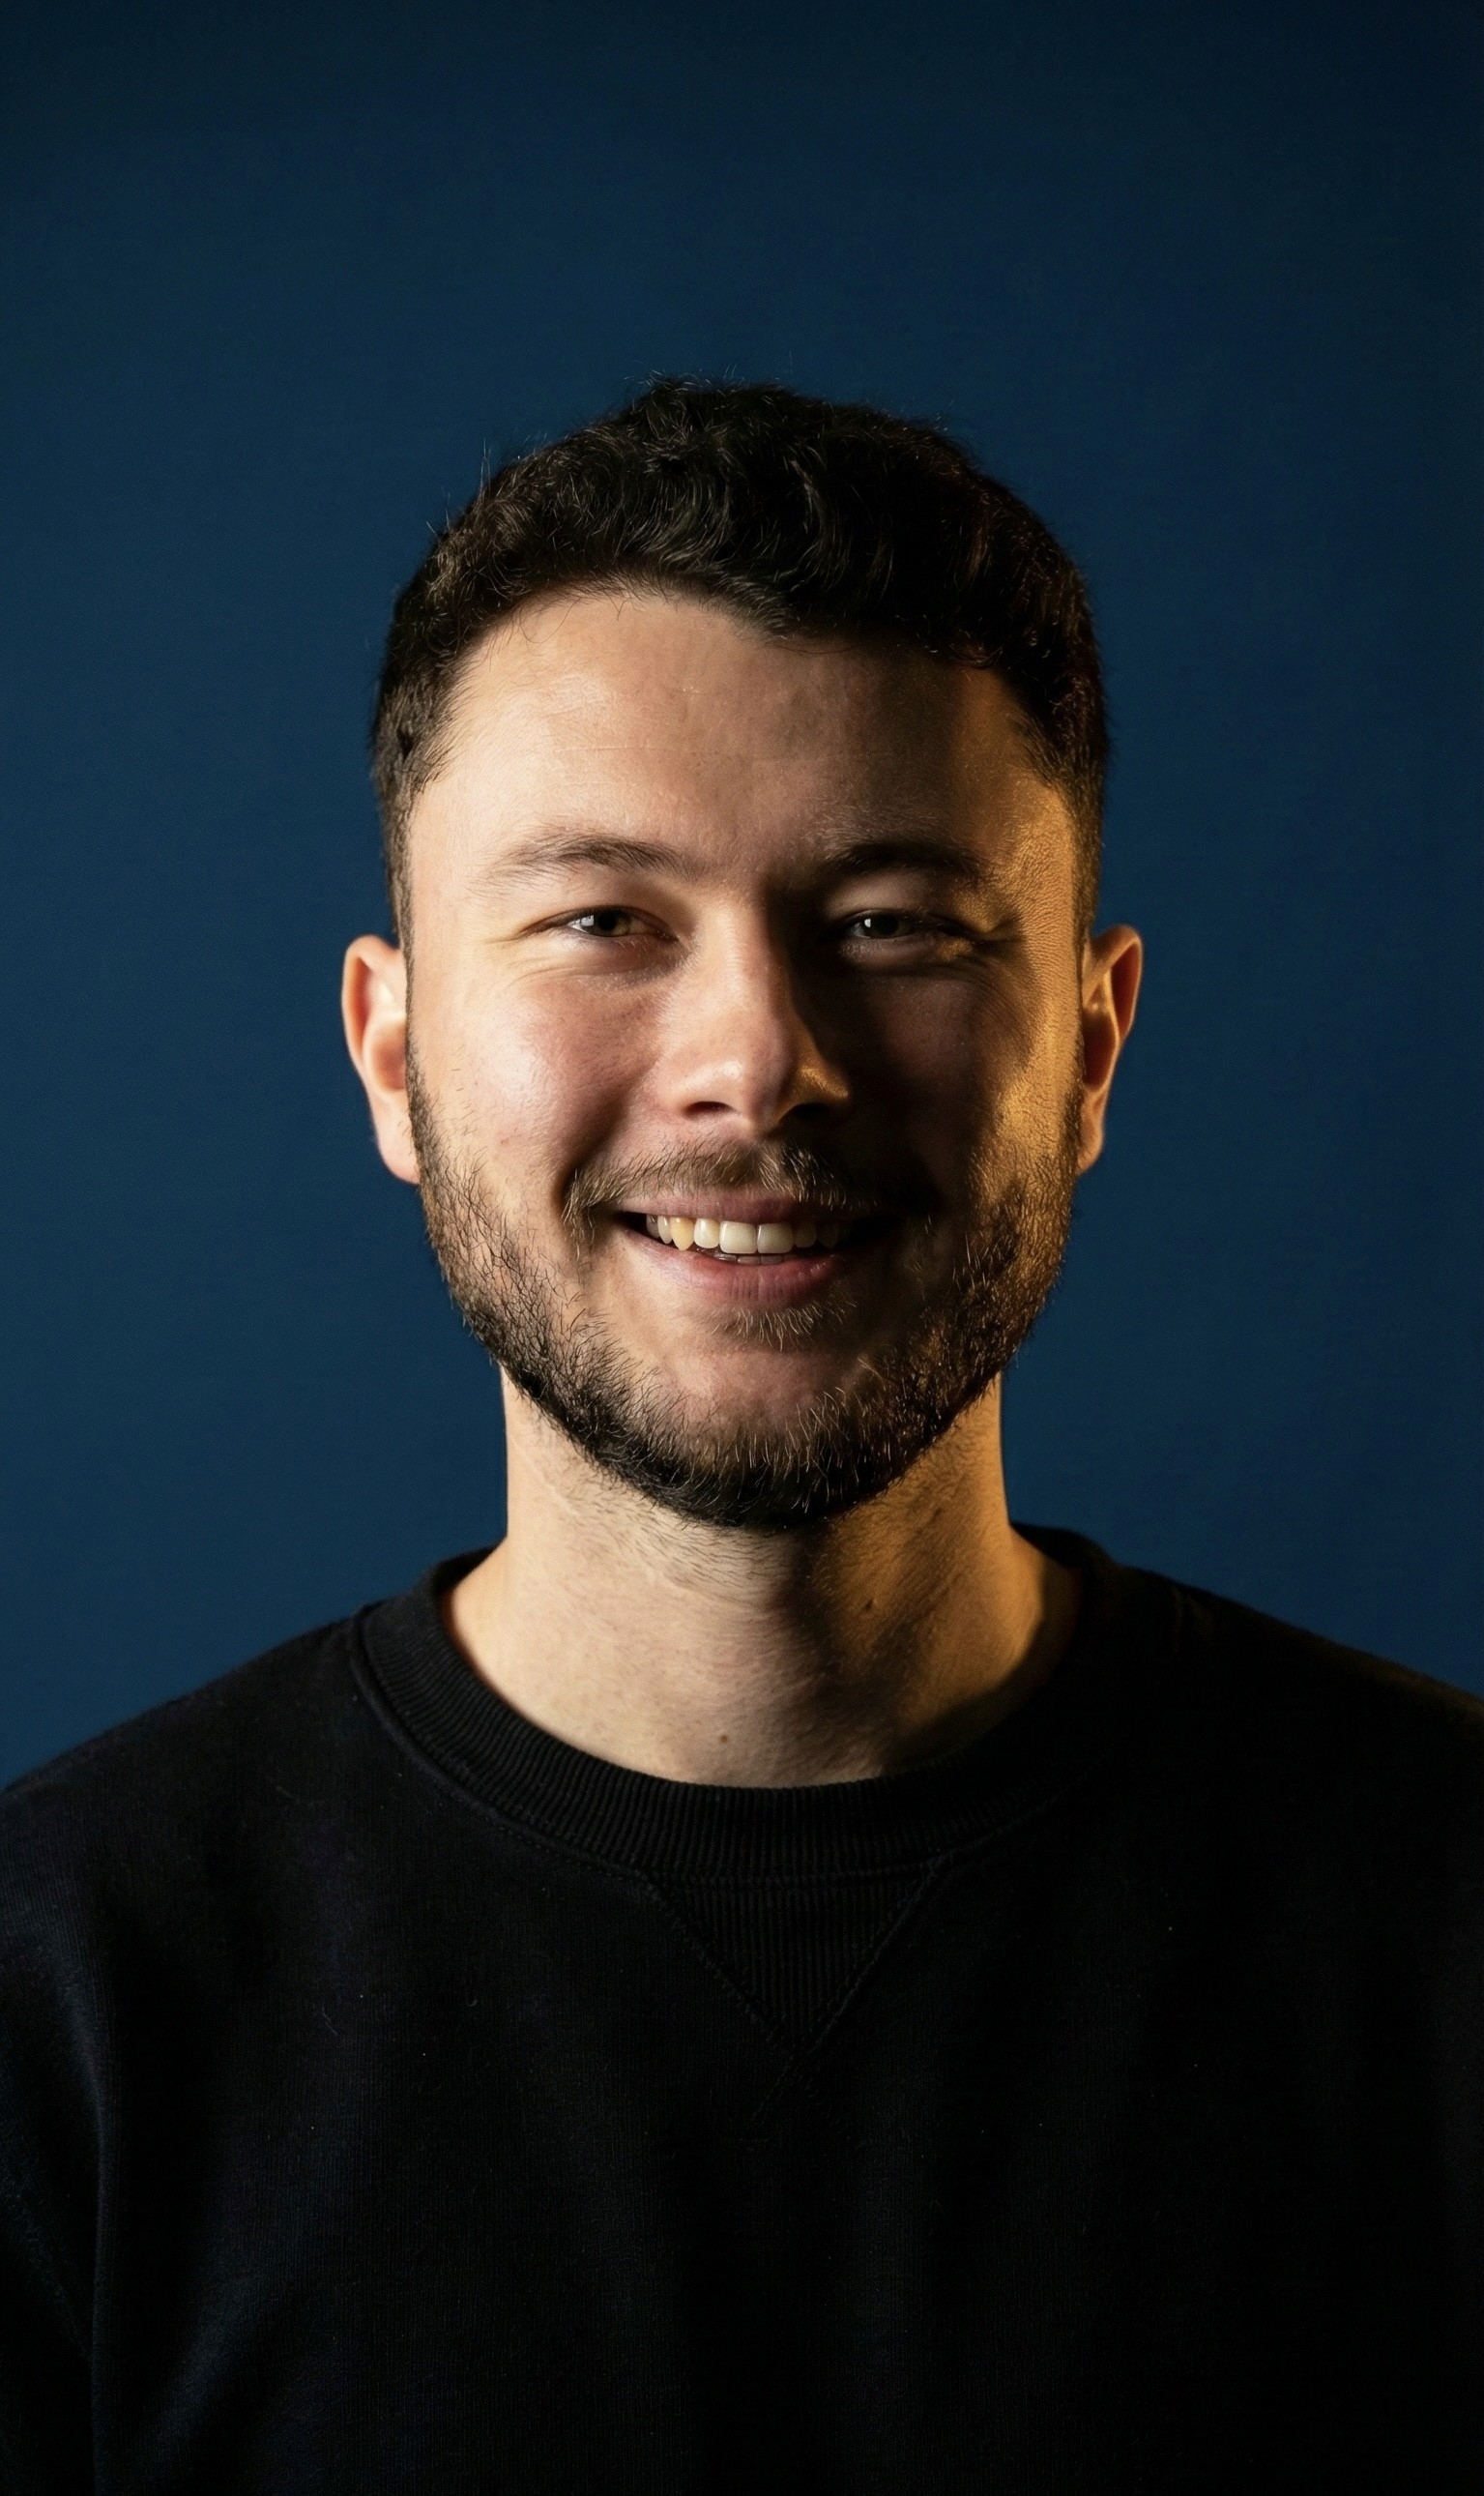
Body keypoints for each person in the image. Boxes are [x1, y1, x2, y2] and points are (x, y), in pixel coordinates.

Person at [1, 381, 1478, 2495]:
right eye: (604, 920)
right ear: (395, 1053)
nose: (761, 1064)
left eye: (893, 922)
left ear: (1089, 1040)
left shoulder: (1444, 1932)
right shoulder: (59, 2017)